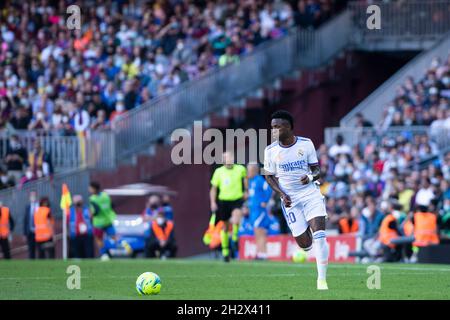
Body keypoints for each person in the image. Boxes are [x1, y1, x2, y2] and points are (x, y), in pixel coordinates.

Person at [263, 110, 329, 290]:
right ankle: (310, 223)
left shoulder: (306, 144)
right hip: (290, 200)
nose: (274, 130)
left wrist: (309, 177)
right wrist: (281, 194)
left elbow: (317, 170)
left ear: (289, 127)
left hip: (310, 194)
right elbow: (269, 177)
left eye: (277, 127)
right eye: (272, 127)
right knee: (305, 245)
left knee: (320, 237)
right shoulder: (270, 150)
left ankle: (321, 281)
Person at [210, 151, 247, 262]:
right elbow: (214, 189)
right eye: (227, 157)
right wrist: (213, 202)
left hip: (237, 199)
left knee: (236, 219)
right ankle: (225, 251)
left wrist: (246, 191)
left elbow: (245, 181)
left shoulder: (240, 169)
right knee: (225, 227)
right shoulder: (218, 171)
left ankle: (235, 238)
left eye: (231, 157)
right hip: (223, 201)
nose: (229, 159)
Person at [247, 163, 273, 260]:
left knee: (260, 231)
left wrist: (265, 201)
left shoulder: (259, 180)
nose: (248, 172)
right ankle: (260, 252)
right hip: (253, 210)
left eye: (249, 170)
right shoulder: (251, 181)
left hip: (259, 210)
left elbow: (269, 189)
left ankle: (263, 253)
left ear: (254, 170)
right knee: (256, 231)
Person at [89, 181, 117, 258]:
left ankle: (104, 253)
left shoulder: (93, 198)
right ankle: (114, 249)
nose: (89, 190)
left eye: (90, 188)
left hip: (98, 222)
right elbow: (112, 205)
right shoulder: (106, 195)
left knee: (98, 239)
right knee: (113, 236)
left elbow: (95, 211)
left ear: (94, 189)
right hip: (108, 220)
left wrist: (90, 215)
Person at [23, 191, 39, 259]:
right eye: (31, 195)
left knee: (40, 250)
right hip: (30, 232)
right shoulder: (27, 207)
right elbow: (25, 220)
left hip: (38, 232)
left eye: (34, 195)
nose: (33, 197)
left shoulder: (39, 206)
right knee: (31, 250)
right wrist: (24, 233)